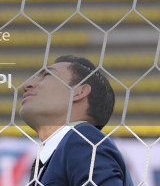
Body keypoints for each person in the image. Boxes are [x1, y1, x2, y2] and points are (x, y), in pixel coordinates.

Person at [19, 55, 133, 186]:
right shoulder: (62, 153)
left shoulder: (82, 140)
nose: (26, 85)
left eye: (47, 75)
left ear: (79, 91)